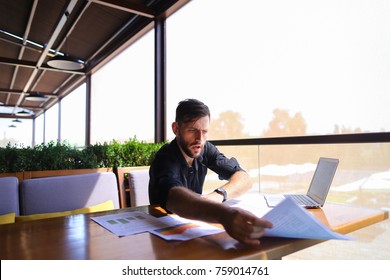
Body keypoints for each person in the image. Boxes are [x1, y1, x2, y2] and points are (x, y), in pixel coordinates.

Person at [149, 99, 272, 246]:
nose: (200, 139)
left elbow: (244, 178)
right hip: (165, 237)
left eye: (204, 131)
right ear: (176, 129)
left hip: (194, 229)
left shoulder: (205, 149)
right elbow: (175, 198)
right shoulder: (165, 157)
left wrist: (219, 195)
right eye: (192, 130)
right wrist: (223, 214)